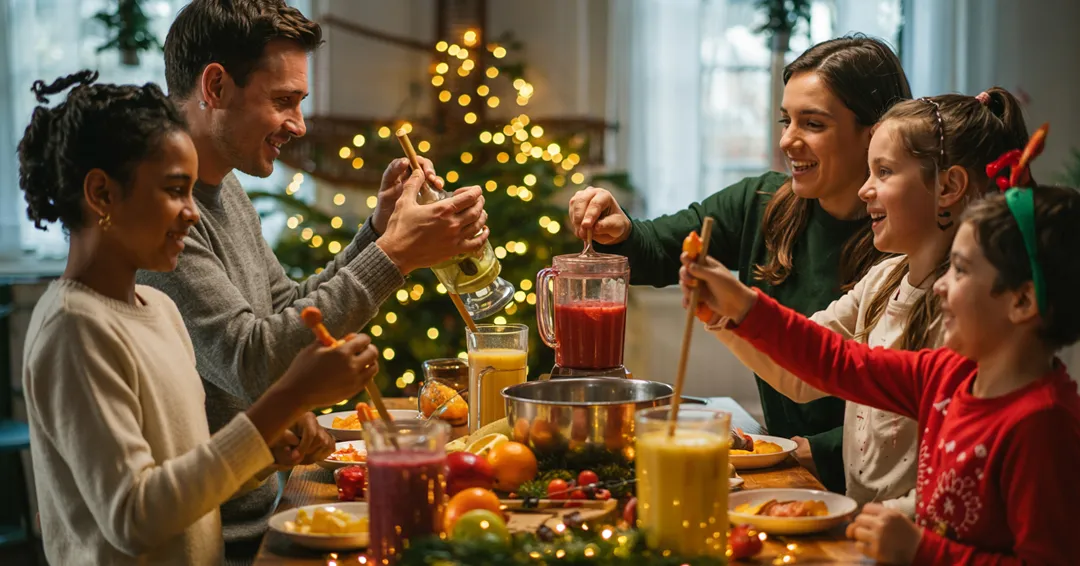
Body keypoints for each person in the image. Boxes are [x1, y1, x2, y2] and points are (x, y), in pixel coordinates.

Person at [138, 1, 489, 558]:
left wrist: (378, 231)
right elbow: (255, 363)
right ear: (216, 86)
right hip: (220, 543)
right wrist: (395, 255)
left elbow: (288, 307)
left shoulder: (223, 187)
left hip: (267, 508)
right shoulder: (159, 216)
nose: (298, 125)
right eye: (283, 101)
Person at [17, 71, 380, 565]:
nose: (192, 214)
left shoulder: (159, 309)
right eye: (174, 190)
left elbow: (183, 473)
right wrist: (287, 397)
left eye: (192, 191)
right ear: (101, 194)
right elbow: (136, 516)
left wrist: (266, 452)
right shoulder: (74, 329)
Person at [680, 138, 1080, 564]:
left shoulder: (1043, 424)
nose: (942, 284)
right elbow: (834, 361)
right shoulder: (946, 374)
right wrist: (742, 303)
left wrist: (923, 550)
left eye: (961, 270)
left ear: (1022, 302)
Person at [568, 35, 911, 492]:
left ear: (874, 133)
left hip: (867, 483)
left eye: (813, 123)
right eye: (786, 120)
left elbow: (907, 413)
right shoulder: (762, 202)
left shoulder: (905, 245)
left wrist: (818, 449)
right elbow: (656, 248)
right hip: (787, 467)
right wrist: (622, 228)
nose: (788, 140)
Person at [708, 88, 1029, 514]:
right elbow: (808, 367)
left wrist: (876, 523)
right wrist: (726, 313)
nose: (864, 190)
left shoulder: (966, 317)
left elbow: (964, 482)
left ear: (948, 186)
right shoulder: (883, 278)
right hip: (871, 535)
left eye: (883, 172)